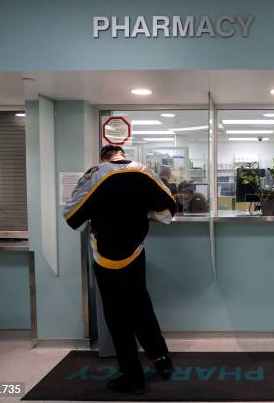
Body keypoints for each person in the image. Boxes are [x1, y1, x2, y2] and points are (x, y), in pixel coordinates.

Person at [63, 145, 176, 394]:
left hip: (105, 256)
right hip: (136, 252)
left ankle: (132, 377)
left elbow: (71, 215)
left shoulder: (94, 174)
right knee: (141, 306)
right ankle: (161, 360)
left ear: (103, 158)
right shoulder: (145, 172)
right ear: (122, 154)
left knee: (117, 317)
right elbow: (168, 209)